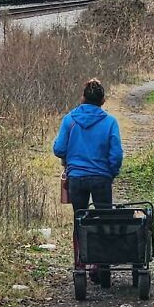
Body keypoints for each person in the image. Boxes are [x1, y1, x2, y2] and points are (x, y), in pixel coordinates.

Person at [53, 79, 123, 218]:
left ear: (83, 98)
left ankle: (80, 240)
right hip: (101, 178)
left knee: (80, 220)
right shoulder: (110, 122)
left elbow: (59, 149)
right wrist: (111, 173)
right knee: (105, 221)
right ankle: (102, 240)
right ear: (103, 100)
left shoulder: (69, 119)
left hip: (76, 178)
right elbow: (116, 155)